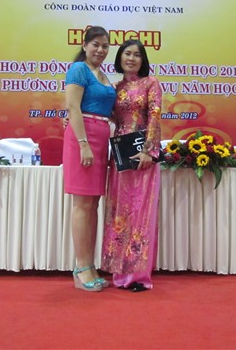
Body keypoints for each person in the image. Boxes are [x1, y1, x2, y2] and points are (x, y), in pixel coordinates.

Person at [101, 39, 162, 292]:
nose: (131, 58)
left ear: (143, 60)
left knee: (141, 213)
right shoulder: (114, 88)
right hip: (120, 156)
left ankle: (139, 276)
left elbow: (155, 116)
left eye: (137, 55)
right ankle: (120, 271)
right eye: (127, 53)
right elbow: (107, 116)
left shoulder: (151, 83)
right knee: (120, 213)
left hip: (143, 155)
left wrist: (149, 151)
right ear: (120, 57)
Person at [63, 26, 116, 292]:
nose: (100, 50)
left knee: (93, 204)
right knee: (82, 204)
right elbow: (73, 107)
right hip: (83, 139)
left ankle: (90, 264)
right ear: (84, 45)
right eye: (96, 44)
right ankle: (81, 267)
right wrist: (83, 144)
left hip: (101, 139)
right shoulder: (78, 70)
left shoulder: (103, 74)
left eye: (105, 46)